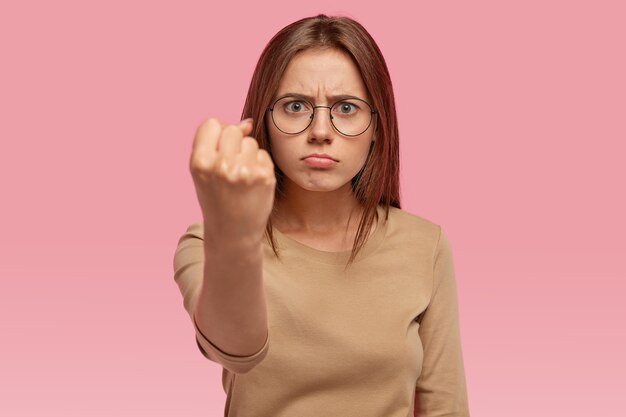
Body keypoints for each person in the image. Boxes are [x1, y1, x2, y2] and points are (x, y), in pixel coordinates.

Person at [173, 14, 470, 417]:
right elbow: (236, 351)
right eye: (296, 106)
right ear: (263, 120)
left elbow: (445, 407)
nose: (320, 130)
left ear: (377, 127)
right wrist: (234, 231)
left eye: (346, 108)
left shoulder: (425, 245)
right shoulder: (211, 241)